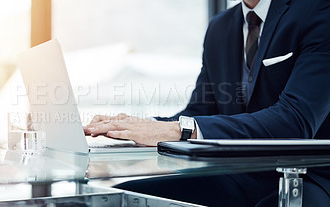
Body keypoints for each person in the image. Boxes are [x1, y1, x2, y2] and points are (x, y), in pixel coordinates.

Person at [83, 0, 330, 206]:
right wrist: (136, 128)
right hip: (235, 174)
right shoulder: (220, 27)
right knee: (120, 198)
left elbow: (294, 121)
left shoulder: (318, 12)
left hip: (309, 177)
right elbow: (199, 112)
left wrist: (178, 130)